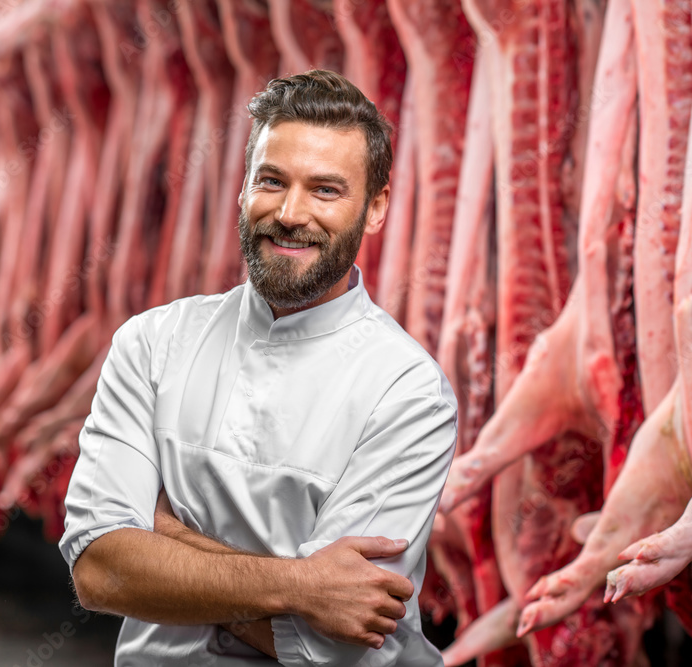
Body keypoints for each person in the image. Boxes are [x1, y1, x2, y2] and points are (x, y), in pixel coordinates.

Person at [59, 69, 457, 666]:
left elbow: (335, 641)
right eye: (272, 180)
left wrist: (165, 543)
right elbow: (101, 571)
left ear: (374, 210)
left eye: (326, 190)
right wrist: (304, 586)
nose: (291, 213)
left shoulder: (407, 392)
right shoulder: (151, 343)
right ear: (243, 188)